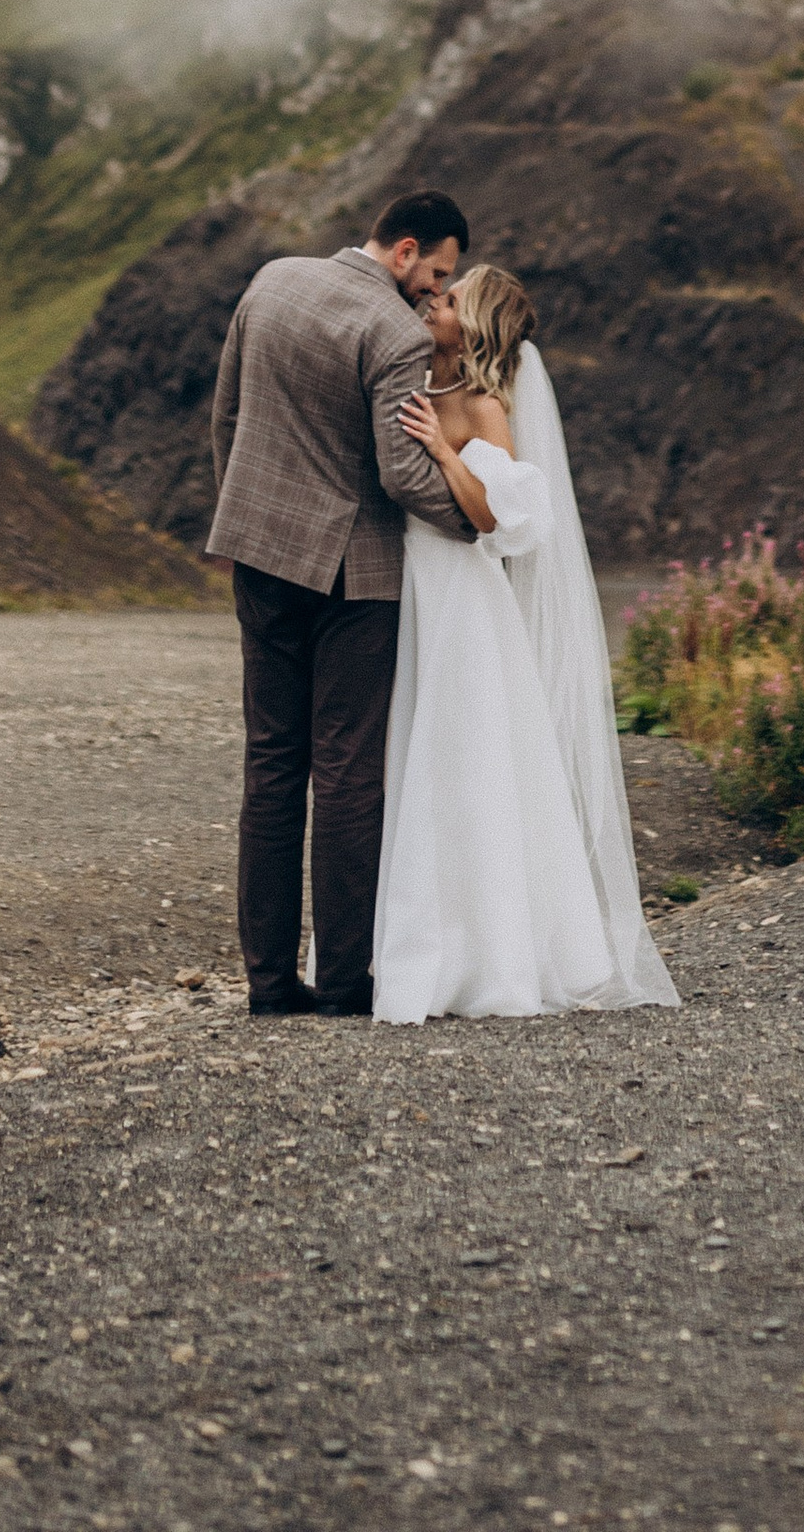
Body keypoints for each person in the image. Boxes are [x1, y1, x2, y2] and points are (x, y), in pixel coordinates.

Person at [370, 261, 677, 1022]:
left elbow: (495, 520)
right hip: (411, 586)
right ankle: (411, 937)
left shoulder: (484, 403)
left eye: (450, 298)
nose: (434, 301)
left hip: (462, 599)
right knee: (411, 759)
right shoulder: (416, 377)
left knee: (465, 765)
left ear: (474, 324)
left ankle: (489, 954)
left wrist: (444, 455)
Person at [204, 190, 476, 1017]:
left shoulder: (273, 280)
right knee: (349, 773)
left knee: (272, 765)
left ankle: (267, 983)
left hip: (258, 555)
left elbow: (227, 416)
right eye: (435, 271)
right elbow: (401, 473)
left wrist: (246, 515)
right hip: (353, 577)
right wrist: (481, 518)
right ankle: (347, 985)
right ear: (402, 251)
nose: (435, 291)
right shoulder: (392, 333)